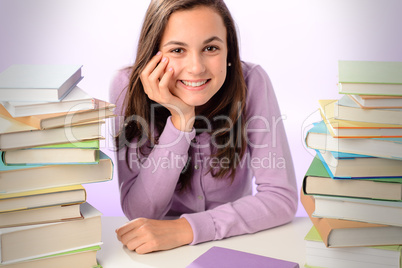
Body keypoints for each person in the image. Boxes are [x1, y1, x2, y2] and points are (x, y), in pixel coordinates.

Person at [110, 0, 298, 254]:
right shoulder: (126, 87)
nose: (196, 68)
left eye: (210, 48)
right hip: (160, 253)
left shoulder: (252, 81)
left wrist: (186, 229)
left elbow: (281, 198)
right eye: (177, 50)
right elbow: (141, 212)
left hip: (237, 242)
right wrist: (180, 120)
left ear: (229, 51)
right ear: (152, 53)